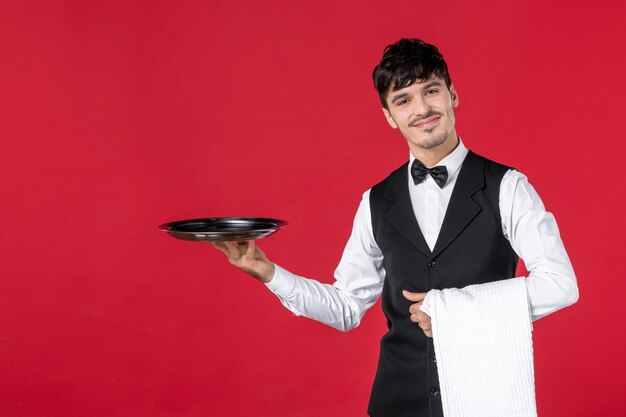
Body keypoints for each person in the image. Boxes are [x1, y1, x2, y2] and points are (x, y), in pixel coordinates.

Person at [210, 38, 578, 417]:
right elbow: (346, 307)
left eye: (431, 91)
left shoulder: (509, 186)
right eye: (403, 99)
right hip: (397, 403)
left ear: (452, 95)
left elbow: (561, 284)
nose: (422, 109)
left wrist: (455, 312)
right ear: (388, 115)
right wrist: (267, 272)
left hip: (487, 399)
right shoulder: (375, 201)